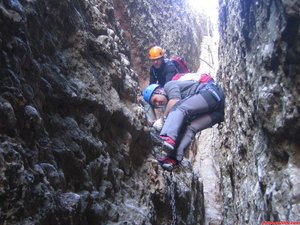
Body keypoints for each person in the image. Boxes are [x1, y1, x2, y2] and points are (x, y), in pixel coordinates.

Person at [143, 77, 225, 170]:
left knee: (178, 108)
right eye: (155, 104)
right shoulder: (175, 108)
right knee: (190, 127)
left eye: (155, 100)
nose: (158, 103)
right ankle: (173, 158)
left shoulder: (168, 86)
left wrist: (162, 120)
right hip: (218, 111)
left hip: (211, 94)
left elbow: (175, 101)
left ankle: (166, 137)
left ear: (159, 91)